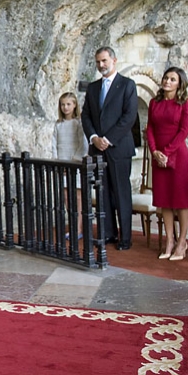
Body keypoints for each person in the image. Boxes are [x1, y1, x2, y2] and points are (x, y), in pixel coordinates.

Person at [81, 46, 138, 250]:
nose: (101, 65)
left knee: (121, 193)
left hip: (119, 148)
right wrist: (95, 138)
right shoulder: (93, 87)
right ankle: (107, 233)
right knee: (102, 192)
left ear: (114, 60)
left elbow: (129, 116)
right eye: (98, 62)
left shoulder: (127, 85)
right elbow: (85, 115)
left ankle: (125, 238)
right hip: (97, 149)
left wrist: (108, 139)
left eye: (104, 61)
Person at [146, 67, 188, 261]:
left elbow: (184, 131)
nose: (167, 81)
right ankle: (169, 240)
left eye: (172, 79)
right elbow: (149, 127)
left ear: (179, 83)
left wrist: (165, 152)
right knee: (164, 200)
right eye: (166, 77)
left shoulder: (185, 102)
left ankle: (182, 242)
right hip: (159, 156)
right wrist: (154, 151)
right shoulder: (154, 102)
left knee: (181, 201)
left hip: (178, 155)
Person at [51, 92, 88, 239]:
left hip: (75, 164)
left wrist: (73, 161)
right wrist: (57, 161)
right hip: (62, 163)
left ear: (74, 105)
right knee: (67, 197)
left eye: (68, 104)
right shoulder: (58, 124)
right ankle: (72, 225)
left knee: (78, 198)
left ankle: (79, 228)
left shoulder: (79, 123)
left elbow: (82, 144)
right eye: (63, 104)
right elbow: (54, 144)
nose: (65, 107)